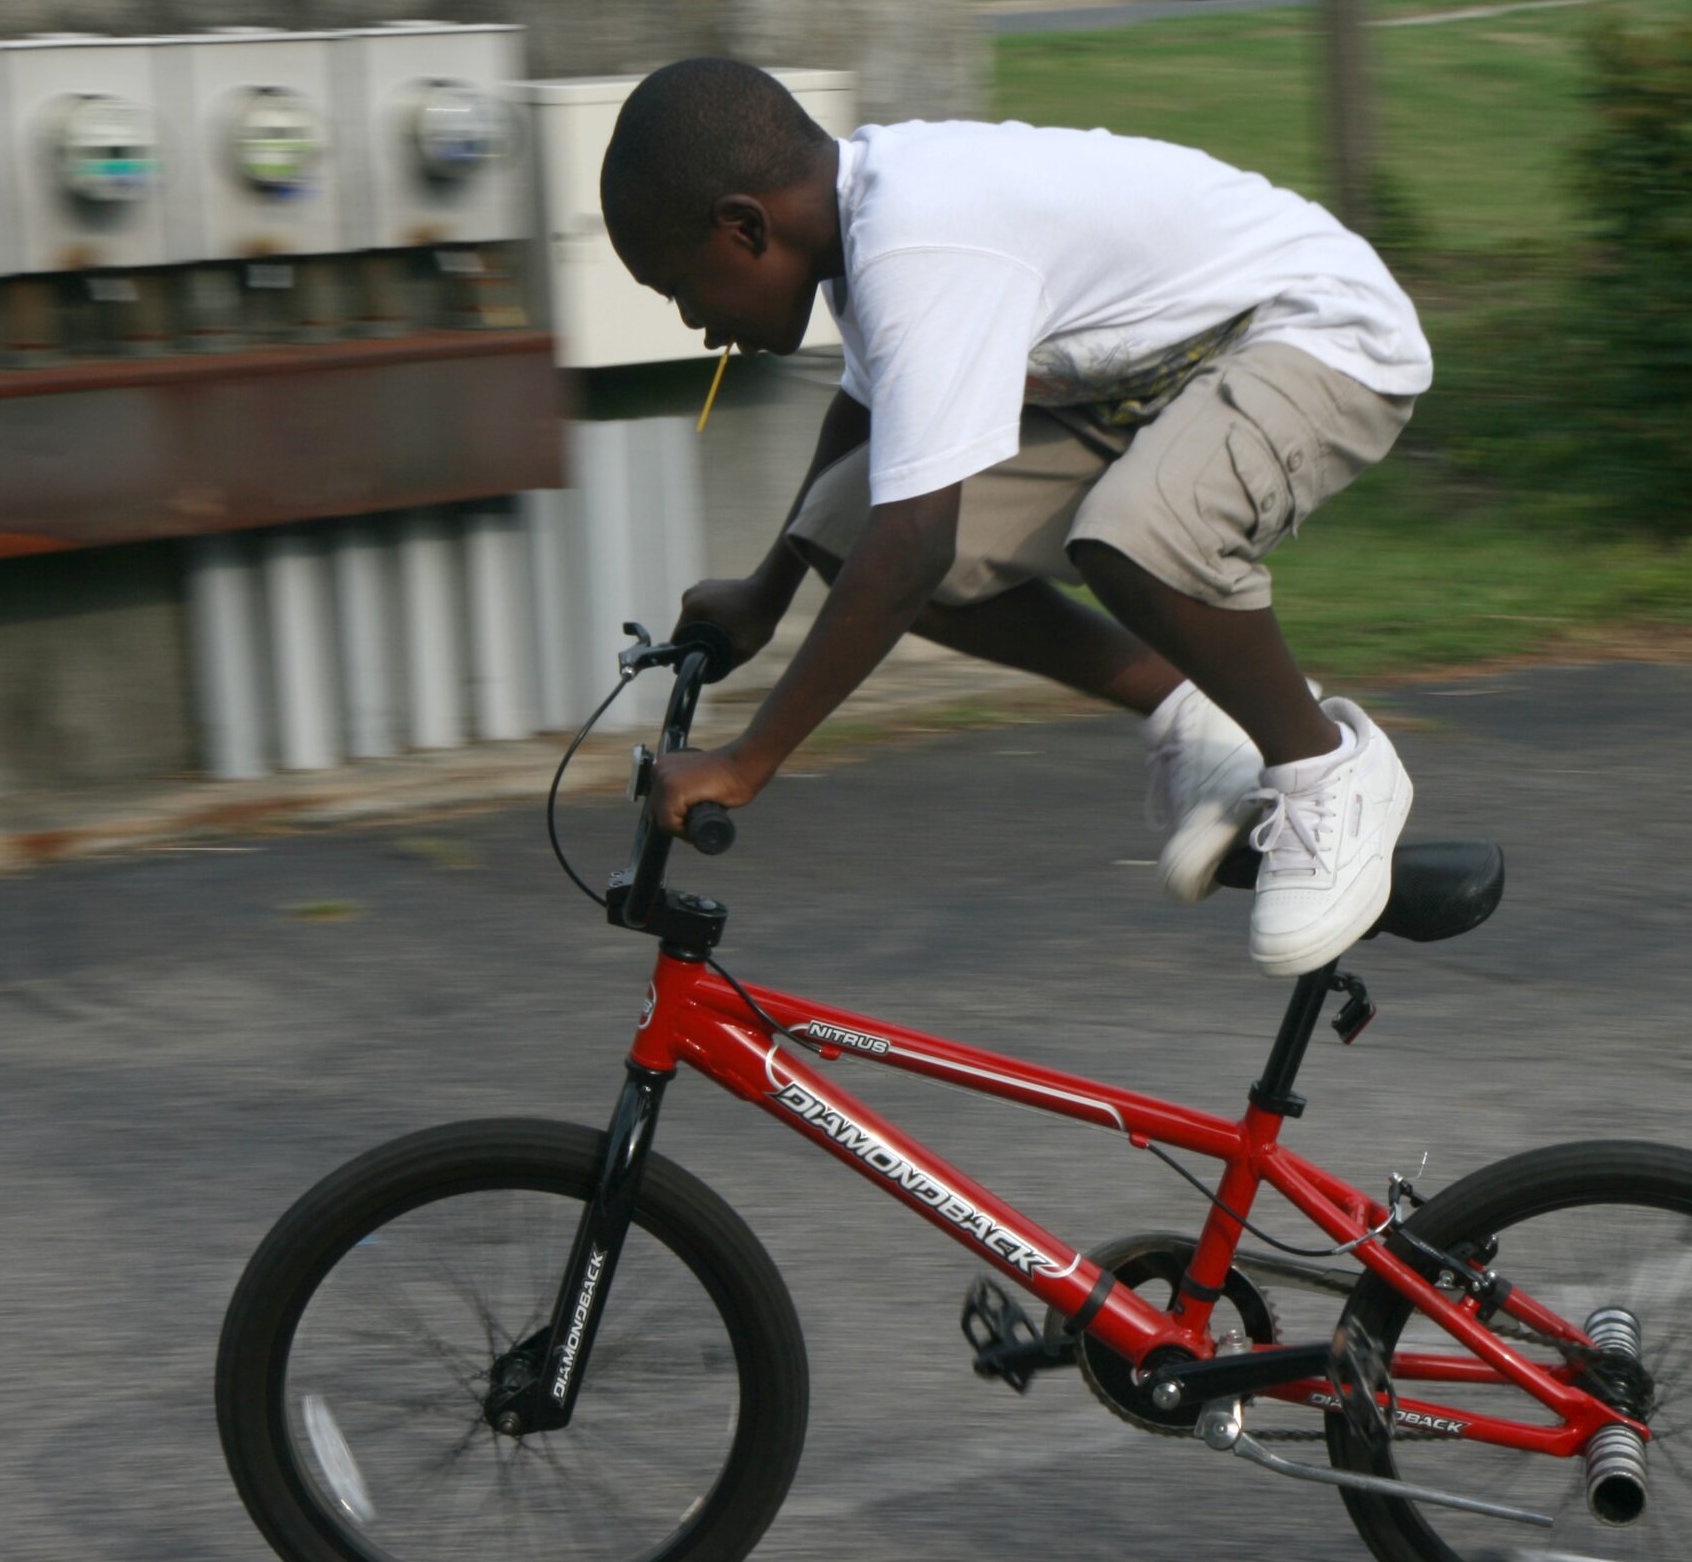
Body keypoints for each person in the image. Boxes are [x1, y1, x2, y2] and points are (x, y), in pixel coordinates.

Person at [602, 59, 1432, 976]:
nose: (692, 320)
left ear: (745, 227)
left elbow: (913, 546)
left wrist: (751, 758)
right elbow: (870, 427)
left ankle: (1329, 771)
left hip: (1318, 332)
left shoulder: (921, 244)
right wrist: (768, 587)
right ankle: (1197, 714)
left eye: (681, 287)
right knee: (842, 525)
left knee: (1136, 535)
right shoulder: (861, 226)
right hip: (1154, 381)